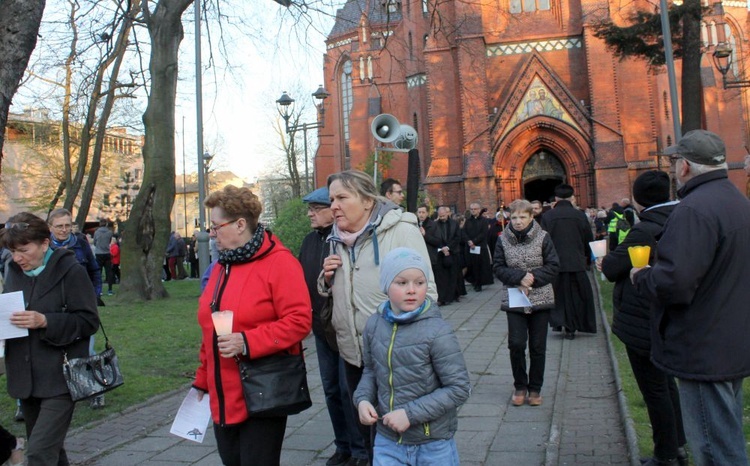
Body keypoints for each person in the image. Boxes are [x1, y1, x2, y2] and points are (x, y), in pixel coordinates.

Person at [632, 130, 750, 466]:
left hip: (702, 347)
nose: (671, 169)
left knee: (713, 448)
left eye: (673, 161)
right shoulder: (737, 201)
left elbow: (675, 282)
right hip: (730, 339)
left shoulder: (694, 209)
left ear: (685, 166)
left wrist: (642, 277)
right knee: (727, 438)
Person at [320, 170, 437, 463]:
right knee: (366, 431)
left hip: (394, 354)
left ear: (368, 202)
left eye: (342, 198)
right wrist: (325, 280)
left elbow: (429, 293)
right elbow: (342, 290)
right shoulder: (337, 237)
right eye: (331, 199)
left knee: (398, 436)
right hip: (353, 353)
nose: (333, 205)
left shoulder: (401, 230)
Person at [192, 185, 311, 466]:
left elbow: (299, 321)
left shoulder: (280, 263)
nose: (212, 233)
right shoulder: (223, 266)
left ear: (241, 224)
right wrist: (201, 379)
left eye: (216, 226)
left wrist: (246, 341)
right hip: (223, 394)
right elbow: (211, 329)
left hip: (261, 391)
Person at [600, 171, 687, 466]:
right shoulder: (682, 218)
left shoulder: (644, 230)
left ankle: (666, 454)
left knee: (654, 389)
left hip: (643, 318)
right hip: (672, 314)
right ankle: (678, 445)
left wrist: (605, 261)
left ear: (638, 199)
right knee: (667, 384)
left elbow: (613, 267)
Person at [354, 247, 471, 465]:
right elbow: (370, 370)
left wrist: (409, 414)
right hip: (388, 441)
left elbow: (459, 388)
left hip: (432, 444)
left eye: (419, 282)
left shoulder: (437, 331)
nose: (412, 290)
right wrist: (362, 400)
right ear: (386, 286)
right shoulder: (374, 324)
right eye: (402, 282)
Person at [2, 212, 99, 465]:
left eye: (23, 250)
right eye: (12, 251)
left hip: (61, 378)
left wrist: (45, 321)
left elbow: (89, 321)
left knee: (38, 453)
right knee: (51, 453)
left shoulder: (71, 271)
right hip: (26, 379)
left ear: (45, 244)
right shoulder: (13, 271)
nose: (17, 258)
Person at [298, 187, 366, 466]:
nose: (311, 214)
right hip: (319, 327)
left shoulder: (345, 240)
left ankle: (360, 449)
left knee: (349, 388)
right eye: (310, 209)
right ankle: (343, 446)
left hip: (343, 325)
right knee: (330, 389)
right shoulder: (309, 242)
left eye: (316, 209)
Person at [493, 200, 559, 407]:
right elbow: (498, 266)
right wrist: (519, 277)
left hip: (540, 297)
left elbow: (553, 265)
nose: (518, 221)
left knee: (538, 346)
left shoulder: (543, 237)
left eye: (522, 217)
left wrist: (532, 278)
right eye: (514, 217)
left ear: (531, 217)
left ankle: (535, 388)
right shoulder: (503, 239)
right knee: (516, 343)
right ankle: (520, 385)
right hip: (515, 297)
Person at [48, 208, 106, 410]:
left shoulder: (80, 243)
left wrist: (94, 294)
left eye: (67, 225)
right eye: (59, 226)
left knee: (86, 349)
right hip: (56, 306)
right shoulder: (45, 247)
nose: (64, 230)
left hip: (81, 304)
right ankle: (64, 391)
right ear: (50, 227)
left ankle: (96, 391)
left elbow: (94, 270)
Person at [541, 184, 596, 339]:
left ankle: (562, 324)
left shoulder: (548, 216)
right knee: (577, 295)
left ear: (556, 198)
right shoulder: (579, 215)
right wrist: (586, 257)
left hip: (555, 264)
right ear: (572, 197)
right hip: (576, 262)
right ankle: (574, 325)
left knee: (560, 296)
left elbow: (543, 241)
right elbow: (588, 239)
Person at [423, 206, 460, 305]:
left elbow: (457, 237)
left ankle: (452, 296)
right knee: (442, 278)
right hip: (440, 253)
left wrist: (448, 248)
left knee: (453, 275)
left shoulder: (454, 223)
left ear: (447, 214)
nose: (442, 218)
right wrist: (442, 248)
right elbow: (437, 238)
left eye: (443, 216)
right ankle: (443, 297)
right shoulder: (435, 224)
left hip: (452, 252)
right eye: (440, 216)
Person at [463, 202, 494, 291]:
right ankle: (474, 281)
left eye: (475, 209)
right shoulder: (468, 220)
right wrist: (469, 241)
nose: (473, 211)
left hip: (480, 246)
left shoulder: (484, 221)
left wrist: (474, 241)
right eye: (472, 209)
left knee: (480, 266)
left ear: (479, 210)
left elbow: (483, 233)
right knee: (471, 265)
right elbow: (464, 232)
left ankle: (479, 283)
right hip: (470, 247)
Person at [93, 219, 114, 295]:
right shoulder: (109, 232)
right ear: (106, 224)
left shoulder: (96, 232)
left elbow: (95, 242)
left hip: (98, 253)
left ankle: (99, 290)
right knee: (109, 271)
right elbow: (109, 241)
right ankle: (110, 289)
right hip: (107, 253)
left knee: (99, 272)